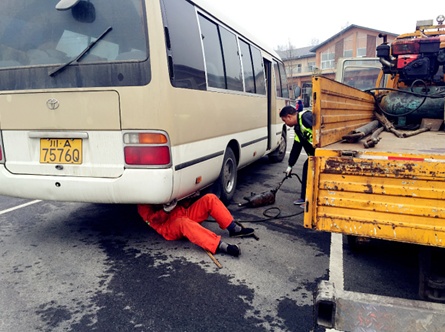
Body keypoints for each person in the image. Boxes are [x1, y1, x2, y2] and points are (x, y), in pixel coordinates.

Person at [137, 193, 255, 257]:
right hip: (168, 226)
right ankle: (220, 245)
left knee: (209, 198)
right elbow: (151, 221)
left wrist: (189, 198)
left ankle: (233, 228)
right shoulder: (142, 200)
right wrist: (165, 211)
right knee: (183, 223)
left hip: (183, 213)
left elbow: (180, 205)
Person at [279, 105, 314, 208]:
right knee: (306, 168)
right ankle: (304, 198)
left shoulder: (305, 118)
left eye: (285, 120)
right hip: (314, 155)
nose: (285, 123)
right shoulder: (298, 128)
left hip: (322, 153)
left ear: (289, 117)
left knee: (313, 175)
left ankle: (310, 201)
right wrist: (290, 165)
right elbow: (296, 147)